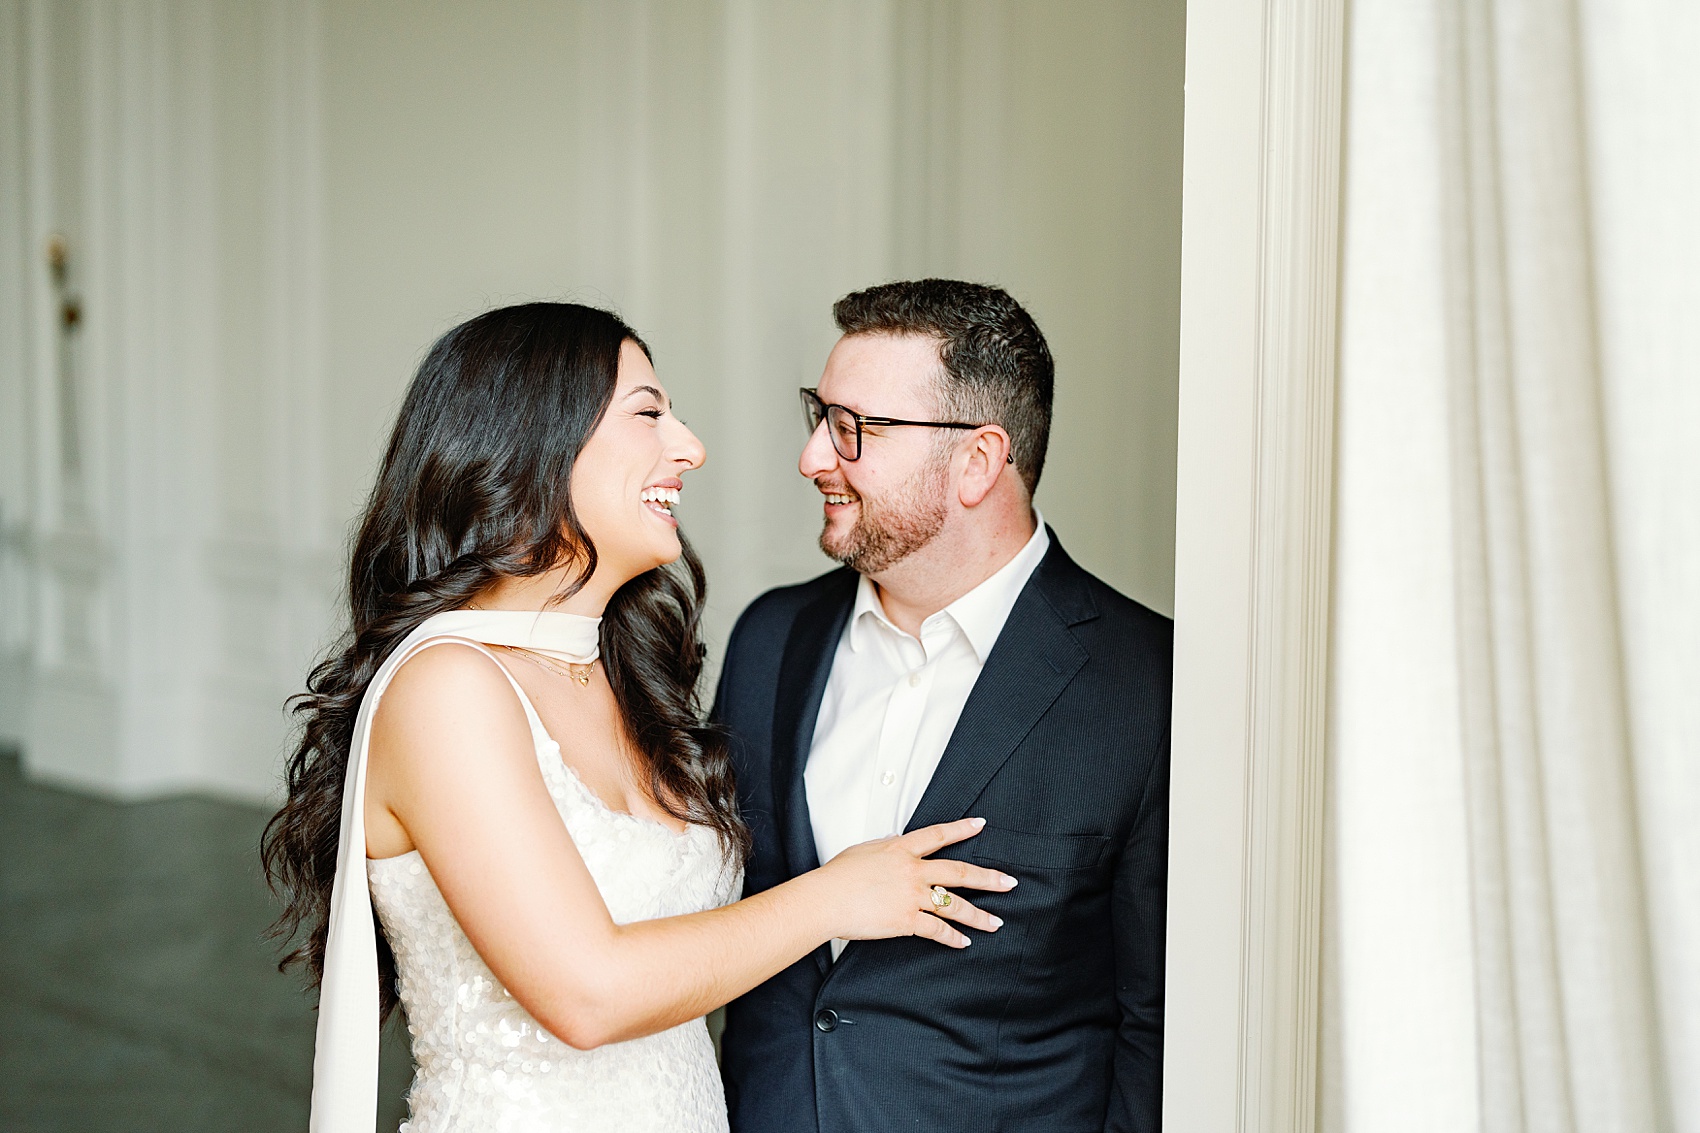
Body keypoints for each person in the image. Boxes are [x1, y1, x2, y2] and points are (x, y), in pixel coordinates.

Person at [260, 302, 1017, 1133]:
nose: (689, 446)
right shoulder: (445, 688)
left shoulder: (618, 670)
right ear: (534, 438)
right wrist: (838, 895)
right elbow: (587, 992)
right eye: (650, 413)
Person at [715, 280, 1173, 1132]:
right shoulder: (769, 640)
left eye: (856, 428)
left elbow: (1156, 1024)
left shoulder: (1145, 680)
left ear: (977, 461)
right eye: (821, 414)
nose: (815, 456)